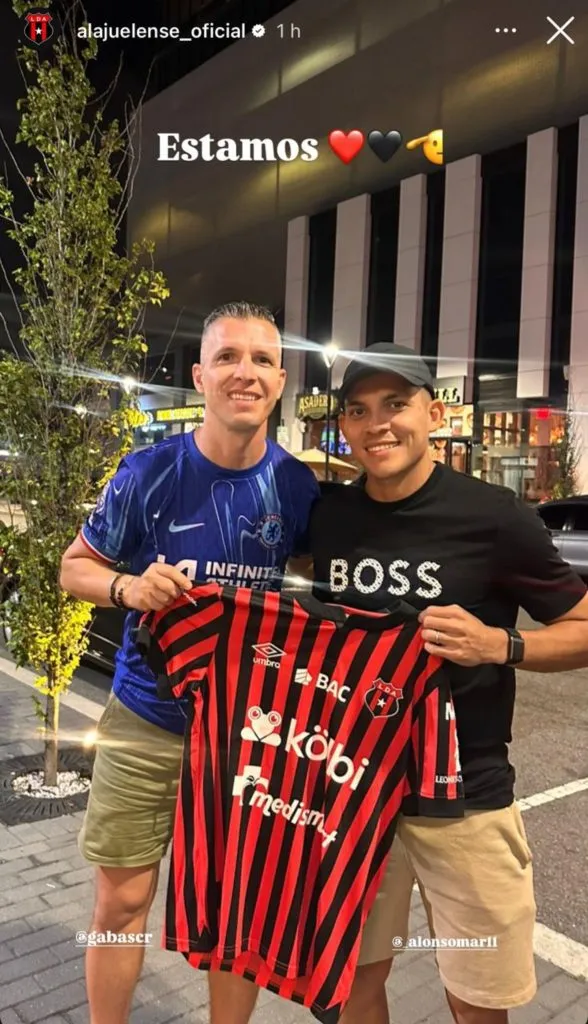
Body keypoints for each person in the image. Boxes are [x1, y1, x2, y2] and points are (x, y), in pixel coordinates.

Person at [307, 342, 588, 1024]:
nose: (378, 425)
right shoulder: (328, 517)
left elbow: (582, 623)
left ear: (434, 412)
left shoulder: (495, 517)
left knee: (479, 999)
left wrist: (501, 643)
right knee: (349, 987)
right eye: (359, 410)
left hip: (467, 797)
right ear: (343, 426)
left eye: (396, 405)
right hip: (350, 791)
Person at [59, 301, 320, 1024]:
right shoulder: (149, 471)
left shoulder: (297, 488)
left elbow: (318, 597)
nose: (246, 372)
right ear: (201, 376)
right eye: (229, 357)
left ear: (280, 379)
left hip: (250, 737)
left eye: (262, 359)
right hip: (145, 720)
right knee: (122, 898)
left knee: (238, 911)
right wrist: (128, 587)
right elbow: (73, 567)